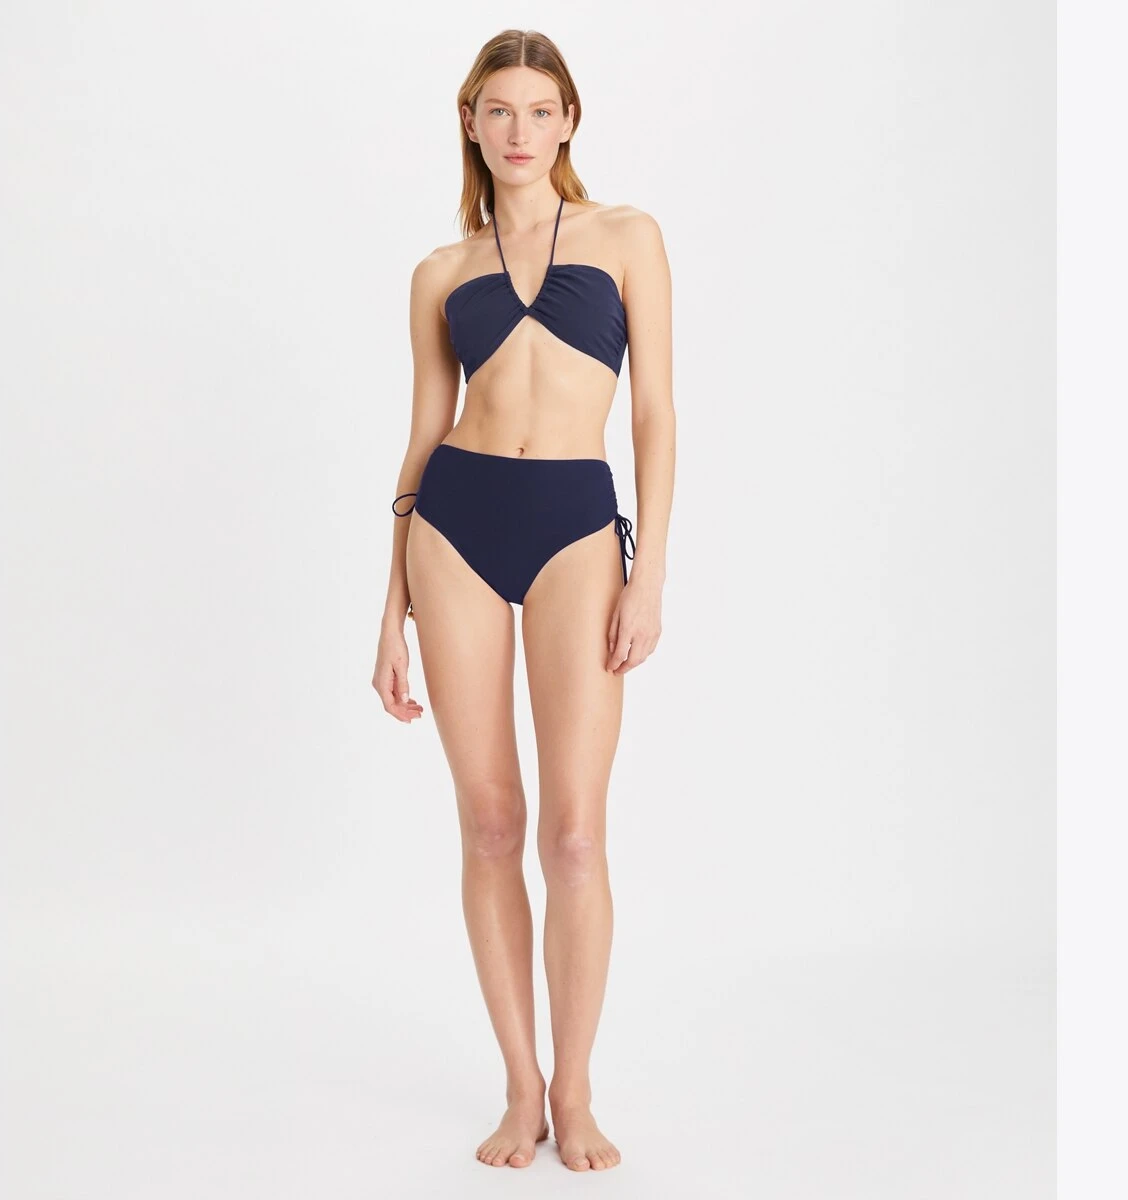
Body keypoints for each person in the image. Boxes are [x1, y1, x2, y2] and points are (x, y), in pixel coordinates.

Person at [372, 28, 675, 1173]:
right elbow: (421, 434)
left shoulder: (628, 237)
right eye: (498, 109)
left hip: (576, 530)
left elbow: (656, 414)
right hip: (453, 527)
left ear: (569, 122)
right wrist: (388, 608)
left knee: (576, 832)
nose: (519, 130)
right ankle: (521, 1088)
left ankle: (578, 1090)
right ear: (470, 121)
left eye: (540, 110)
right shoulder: (439, 273)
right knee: (491, 822)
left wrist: (650, 571)